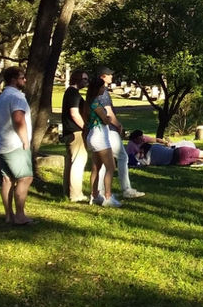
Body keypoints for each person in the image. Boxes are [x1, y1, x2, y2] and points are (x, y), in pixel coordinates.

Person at [94, 67, 145, 199]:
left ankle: (99, 190)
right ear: (102, 77)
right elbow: (108, 112)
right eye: (109, 75)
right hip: (109, 130)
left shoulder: (95, 92)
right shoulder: (103, 92)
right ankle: (126, 188)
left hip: (101, 130)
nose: (111, 77)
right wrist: (118, 125)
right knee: (122, 157)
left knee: (105, 161)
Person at [0, 67, 34, 224]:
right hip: (14, 143)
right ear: (13, 79)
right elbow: (18, 119)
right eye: (22, 78)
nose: (24, 80)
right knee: (25, 178)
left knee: (7, 179)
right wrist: (25, 140)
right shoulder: (17, 96)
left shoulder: (3, 95)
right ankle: (20, 215)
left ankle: (9, 215)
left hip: (1, 143)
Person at [83, 77, 122, 208]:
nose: (104, 89)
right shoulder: (96, 103)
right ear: (97, 88)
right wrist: (109, 118)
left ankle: (94, 195)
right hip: (100, 136)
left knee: (96, 167)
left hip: (92, 136)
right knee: (111, 167)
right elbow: (105, 120)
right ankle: (108, 197)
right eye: (102, 87)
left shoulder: (87, 103)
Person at [60, 70, 89, 202]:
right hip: (75, 132)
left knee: (71, 162)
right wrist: (85, 127)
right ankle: (76, 194)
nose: (86, 82)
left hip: (69, 132)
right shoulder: (73, 94)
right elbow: (74, 113)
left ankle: (68, 190)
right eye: (85, 79)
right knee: (79, 161)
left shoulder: (69, 93)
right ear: (78, 79)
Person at [126, 130, 203, 167]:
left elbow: (155, 140)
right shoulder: (132, 146)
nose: (143, 139)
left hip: (176, 161)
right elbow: (131, 156)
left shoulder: (150, 158)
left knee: (201, 159)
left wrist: (165, 142)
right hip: (181, 152)